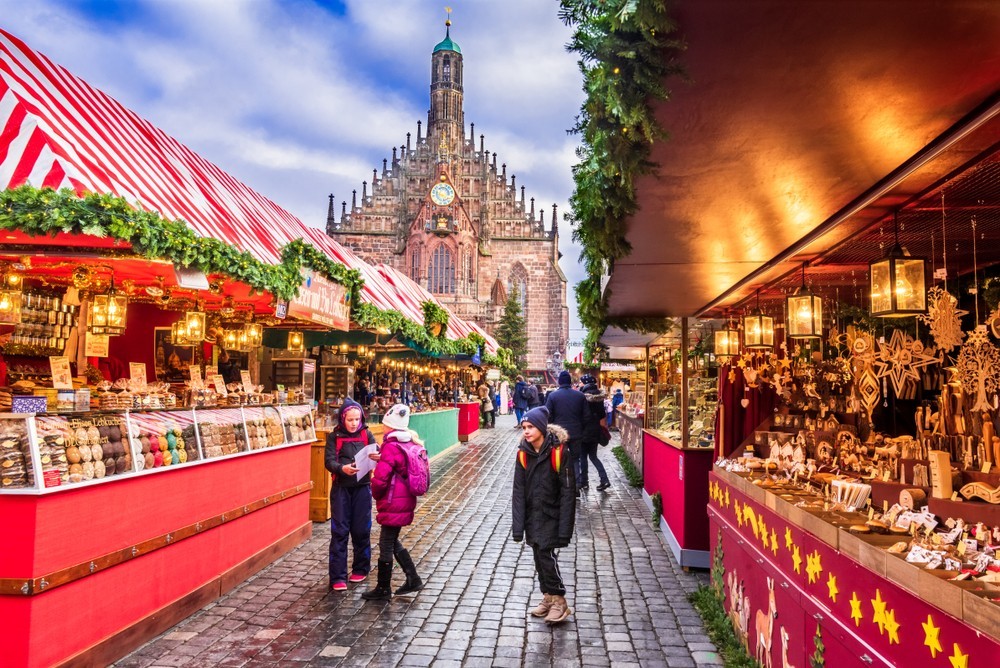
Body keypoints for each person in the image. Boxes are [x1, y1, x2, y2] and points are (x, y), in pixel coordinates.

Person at [511, 406, 575, 625]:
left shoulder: (560, 452)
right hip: (532, 514)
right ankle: (547, 596)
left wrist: (565, 528)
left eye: (530, 427)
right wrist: (518, 526)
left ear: (541, 427)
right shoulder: (523, 453)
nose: (526, 431)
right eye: (524, 427)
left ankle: (559, 600)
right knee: (538, 556)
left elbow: (568, 492)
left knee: (546, 555)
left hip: (552, 514)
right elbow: (518, 490)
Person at [363, 403, 424, 601]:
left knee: (386, 543)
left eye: (385, 425)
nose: (383, 428)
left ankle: (383, 588)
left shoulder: (391, 446)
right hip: (405, 499)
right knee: (391, 539)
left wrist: (374, 490)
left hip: (393, 501)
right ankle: (412, 578)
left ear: (390, 427)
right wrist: (383, 458)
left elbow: (381, 480)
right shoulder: (409, 442)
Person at [324, 398, 379, 591]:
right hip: (341, 489)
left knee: (361, 530)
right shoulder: (334, 437)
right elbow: (329, 461)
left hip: (362, 489)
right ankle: (338, 576)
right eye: (350, 420)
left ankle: (361, 568)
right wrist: (341, 468)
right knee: (339, 532)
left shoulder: (367, 434)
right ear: (342, 419)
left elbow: (377, 453)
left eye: (357, 419)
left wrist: (378, 457)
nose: (354, 423)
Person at [545, 371, 588, 493]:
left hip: (559, 433)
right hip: (576, 432)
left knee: (558, 458)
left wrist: (552, 427)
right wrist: (580, 427)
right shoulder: (579, 395)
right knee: (575, 459)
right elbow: (586, 416)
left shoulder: (553, 396)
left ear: (559, 382)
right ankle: (576, 486)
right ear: (569, 381)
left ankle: (559, 485)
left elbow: (547, 414)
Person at [579, 374, 612, 491]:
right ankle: (604, 479)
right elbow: (602, 416)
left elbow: (580, 414)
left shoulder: (582, 396)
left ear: (585, 383)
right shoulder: (599, 397)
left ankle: (584, 482)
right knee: (593, 457)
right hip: (595, 431)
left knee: (582, 457)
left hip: (584, 430)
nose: (580, 384)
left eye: (581, 382)